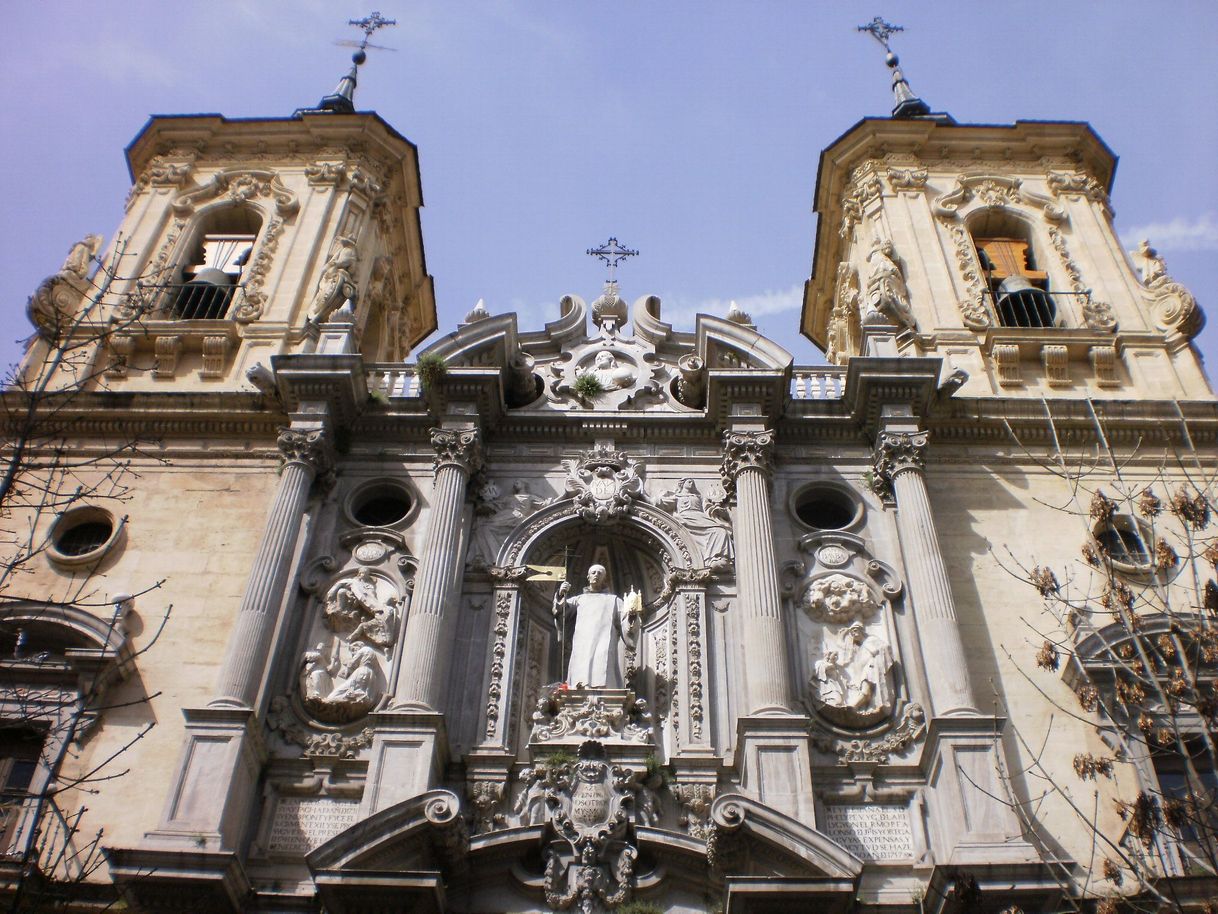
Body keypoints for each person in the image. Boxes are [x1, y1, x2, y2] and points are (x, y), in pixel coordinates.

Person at [552, 564, 639, 688]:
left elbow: (627, 622)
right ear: (588, 577)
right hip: (582, 644)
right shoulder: (578, 600)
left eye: (600, 573)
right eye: (593, 572)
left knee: (603, 665)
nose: (596, 575)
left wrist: (632, 616)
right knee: (581, 668)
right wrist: (561, 594)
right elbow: (561, 615)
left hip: (605, 643)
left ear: (604, 578)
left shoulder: (614, 600)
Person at [656, 478, 733, 566]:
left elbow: (708, 508)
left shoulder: (698, 497)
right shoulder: (677, 497)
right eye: (689, 481)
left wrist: (718, 511)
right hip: (686, 518)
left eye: (692, 482)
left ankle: (716, 558)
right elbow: (661, 504)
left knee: (720, 531)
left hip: (701, 518)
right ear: (682, 484)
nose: (691, 483)